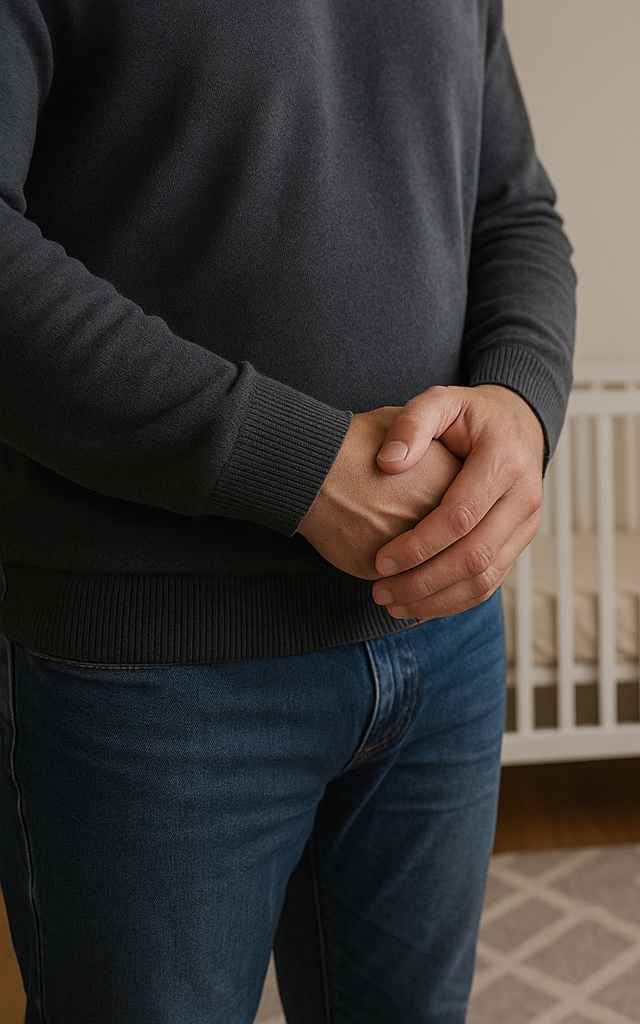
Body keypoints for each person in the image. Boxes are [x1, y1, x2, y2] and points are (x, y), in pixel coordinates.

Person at [0, 0, 576, 1019]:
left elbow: (513, 207)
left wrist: (522, 405)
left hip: (441, 643)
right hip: (146, 666)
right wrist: (296, 466)